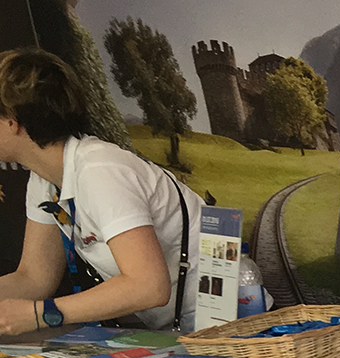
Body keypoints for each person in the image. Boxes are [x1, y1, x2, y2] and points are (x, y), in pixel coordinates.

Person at [0, 48, 201, 337]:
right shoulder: (44, 180)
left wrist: (41, 314)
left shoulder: (100, 170)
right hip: (183, 335)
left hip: (234, 329)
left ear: (11, 123)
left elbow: (148, 286)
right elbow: (33, 278)